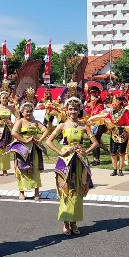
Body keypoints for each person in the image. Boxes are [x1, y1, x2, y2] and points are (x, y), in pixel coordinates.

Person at [46, 97, 99, 235]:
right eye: (70, 109)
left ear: (79, 109)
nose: (73, 111)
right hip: (65, 161)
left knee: (77, 190)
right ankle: (65, 222)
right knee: (65, 189)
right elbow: (49, 141)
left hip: (80, 161)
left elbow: (95, 143)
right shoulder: (62, 126)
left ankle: (74, 222)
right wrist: (60, 152)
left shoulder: (84, 126)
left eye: (75, 109)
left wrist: (85, 151)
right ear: (67, 110)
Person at [7, 88, 49, 201]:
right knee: (21, 169)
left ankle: (36, 192)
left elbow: (46, 130)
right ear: (22, 112)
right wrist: (24, 140)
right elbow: (13, 132)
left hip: (34, 149)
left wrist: (39, 140)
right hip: (22, 148)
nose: (29, 113)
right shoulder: (20, 121)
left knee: (35, 169)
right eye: (27, 111)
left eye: (30, 111)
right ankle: (21, 192)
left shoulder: (36, 122)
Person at [87, 95, 129, 176]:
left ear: (119, 104)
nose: (113, 105)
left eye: (115, 103)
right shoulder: (111, 112)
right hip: (113, 134)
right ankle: (115, 169)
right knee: (113, 153)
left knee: (121, 153)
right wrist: (95, 121)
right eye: (113, 103)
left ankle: (120, 170)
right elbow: (105, 119)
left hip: (122, 134)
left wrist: (127, 129)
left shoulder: (124, 112)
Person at [85, 86, 106, 166]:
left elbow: (101, 115)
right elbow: (87, 112)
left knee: (95, 141)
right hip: (92, 125)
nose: (92, 97)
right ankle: (94, 159)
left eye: (93, 94)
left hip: (99, 125)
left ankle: (97, 159)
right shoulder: (91, 105)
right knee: (92, 142)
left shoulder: (100, 105)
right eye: (91, 94)